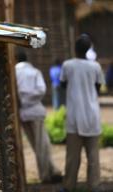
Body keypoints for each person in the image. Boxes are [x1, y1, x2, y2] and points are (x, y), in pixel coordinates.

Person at [60, 34, 104, 192]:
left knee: (72, 157)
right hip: (92, 117)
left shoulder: (67, 65)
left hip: (74, 118)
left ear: (75, 48)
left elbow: (63, 84)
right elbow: (98, 88)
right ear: (88, 49)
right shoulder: (95, 66)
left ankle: (68, 186)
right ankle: (94, 186)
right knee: (93, 157)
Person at [15, 50, 62, 184]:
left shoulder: (14, 73)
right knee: (42, 144)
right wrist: (29, 100)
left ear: (16, 59)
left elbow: (16, 93)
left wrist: (23, 100)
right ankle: (46, 175)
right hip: (35, 112)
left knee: (36, 145)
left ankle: (52, 170)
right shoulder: (34, 72)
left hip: (23, 114)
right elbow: (41, 90)